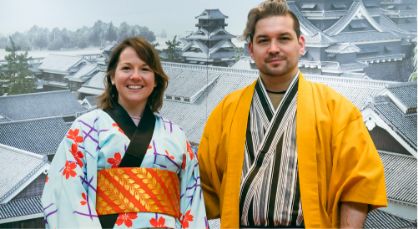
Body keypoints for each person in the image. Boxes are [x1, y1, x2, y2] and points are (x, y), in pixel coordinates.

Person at [197, 0, 387, 228]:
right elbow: (202, 185)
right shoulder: (227, 110)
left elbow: (359, 185)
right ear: (251, 50)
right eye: (263, 40)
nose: (273, 48)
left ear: (301, 44)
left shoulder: (336, 109)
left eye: (284, 38)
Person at [42, 37, 207, 228]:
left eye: (145, 69)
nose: (136, 76)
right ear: (112, 76)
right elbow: (66, 194)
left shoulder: (176, 135)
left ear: (155, 80)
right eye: (126, 68)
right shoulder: (86, 130)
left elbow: (192, 205)